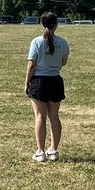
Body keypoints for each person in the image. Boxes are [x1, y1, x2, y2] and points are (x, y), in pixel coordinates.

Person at [25, 12, 70, 162]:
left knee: (40, 117)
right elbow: (63, 63)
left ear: (42, 24)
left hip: (39, 82)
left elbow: (31, 65)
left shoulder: (36, 42)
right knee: (54, 117)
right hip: (55, 81)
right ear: (56, 24)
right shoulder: (63, 42)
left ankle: (40, 151)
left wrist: (26, 83)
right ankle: (53, 151)